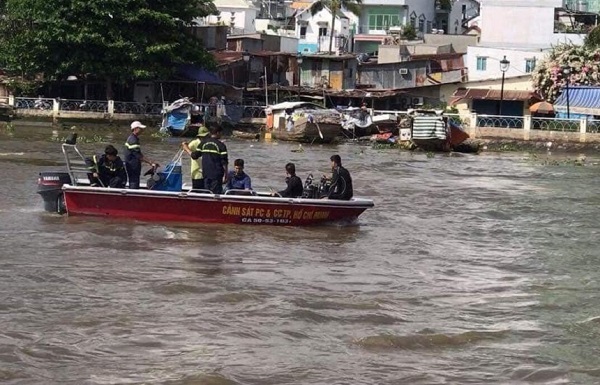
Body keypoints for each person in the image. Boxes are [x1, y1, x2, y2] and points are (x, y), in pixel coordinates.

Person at [192, 126, 228, 194]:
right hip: (217, 175)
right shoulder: (221, 145)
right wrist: (226, 175)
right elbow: (224, 162)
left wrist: (186, 148)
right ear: (217, 133)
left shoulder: (203, 143)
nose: (221, 135)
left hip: (206, 174)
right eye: (221, 133)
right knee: (216, 194)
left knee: (207, 193)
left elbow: (194, 156)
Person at [123, 121, 156, 189]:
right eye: (140, 128)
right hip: (133, 165)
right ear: (135, 129)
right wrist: (150, 162)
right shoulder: (133, 140)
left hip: (133, 164)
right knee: (134, 181)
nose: (142, 130)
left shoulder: (132, 138)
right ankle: (133, 193)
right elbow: (138, 155)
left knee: (134, 180)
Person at [182, 126, 210, 190]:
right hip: (197, 173)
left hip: (207, 173)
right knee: (197, 191)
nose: (204, 138)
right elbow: (185, 149)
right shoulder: (194, 143)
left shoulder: (209, 143)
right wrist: (185, 146)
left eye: (206, 136)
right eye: (202, 137)